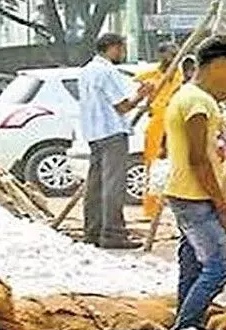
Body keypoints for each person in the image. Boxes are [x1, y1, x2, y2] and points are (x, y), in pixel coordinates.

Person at [163, 35, 226, 330]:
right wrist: (222, 204)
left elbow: (209, 148)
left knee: (193, 264)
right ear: (220, 65)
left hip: (190, 194)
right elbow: (198, 159)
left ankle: (188, 325)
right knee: (220, 269)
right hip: (195, 196)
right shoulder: (196, 102)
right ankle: (185, 327)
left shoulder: (198, 99)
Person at [79, 33, 153, 249]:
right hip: (111, 132)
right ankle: (113, 234)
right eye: (121, 49)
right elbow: (122, 106)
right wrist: (142, 94)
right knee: (113, 185)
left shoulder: (87, 71)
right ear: (112, 48)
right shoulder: (107, 72)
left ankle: (93, 231)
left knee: (95, 185)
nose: (123, 53)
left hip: (94, 133)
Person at [136, 42, 183, 169]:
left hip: (177, 119)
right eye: (167, 56)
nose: (170, 59)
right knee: (153, 155)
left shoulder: (183, 77)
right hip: (157, 119)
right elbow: (136, 93)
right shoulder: (149, 75)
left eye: (174, 56)